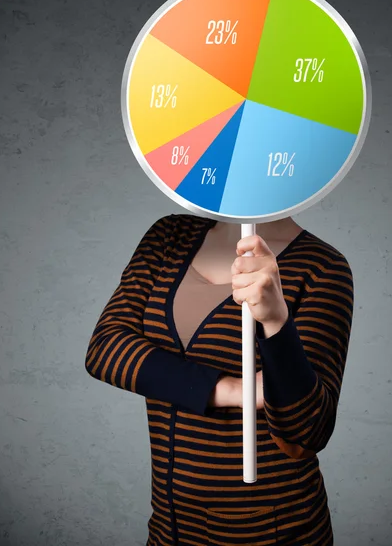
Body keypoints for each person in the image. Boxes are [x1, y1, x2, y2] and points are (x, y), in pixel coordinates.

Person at [85, 212, 354, 545]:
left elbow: (309, 430)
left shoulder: (322, 266)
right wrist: (232, 390)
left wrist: (275, 320)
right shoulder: (171, 235)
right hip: (171, 523)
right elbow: (105, 349)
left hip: (271, 527)